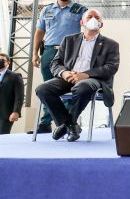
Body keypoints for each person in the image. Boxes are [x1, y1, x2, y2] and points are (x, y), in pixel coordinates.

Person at [34, 9, 119, 142]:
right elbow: (55, 63)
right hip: (69, 76)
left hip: (93, 79)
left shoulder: (111, 44)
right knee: (42, 89)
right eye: (89, 17)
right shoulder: (69, 40)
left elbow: (111, 67)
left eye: (97, 17)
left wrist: (86, 74)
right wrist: (64, 73)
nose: (93, 19)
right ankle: (70, 125)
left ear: (101, 24)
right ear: (82, 22)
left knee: (83, 87)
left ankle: (66, 125)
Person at [31, 0, 87, 134]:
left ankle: (68, 124)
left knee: (69, 86)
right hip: (49, 51)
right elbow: (39, 32)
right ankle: (45, 124)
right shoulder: (47, 10)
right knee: (47, 88)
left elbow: (88, 30)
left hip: (70, 52)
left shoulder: (80, 9)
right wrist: (35, 53)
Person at [0, 53, 24, 134]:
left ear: (8, 63)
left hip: (5, 113)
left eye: (2, 60)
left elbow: (19, 96)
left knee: (2, 137)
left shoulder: (15, 76)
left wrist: (16, 111)